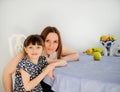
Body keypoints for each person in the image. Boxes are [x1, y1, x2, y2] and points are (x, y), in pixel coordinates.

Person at [2, 26, 80, 92]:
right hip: (33, 85)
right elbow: (6, 73)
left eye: (55, 41)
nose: (51, 45)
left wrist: (53, 64)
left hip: (42, 84)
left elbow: (76, 55)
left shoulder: (54, 49)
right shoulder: (30, 53)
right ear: (42, 41)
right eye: (47, 41)